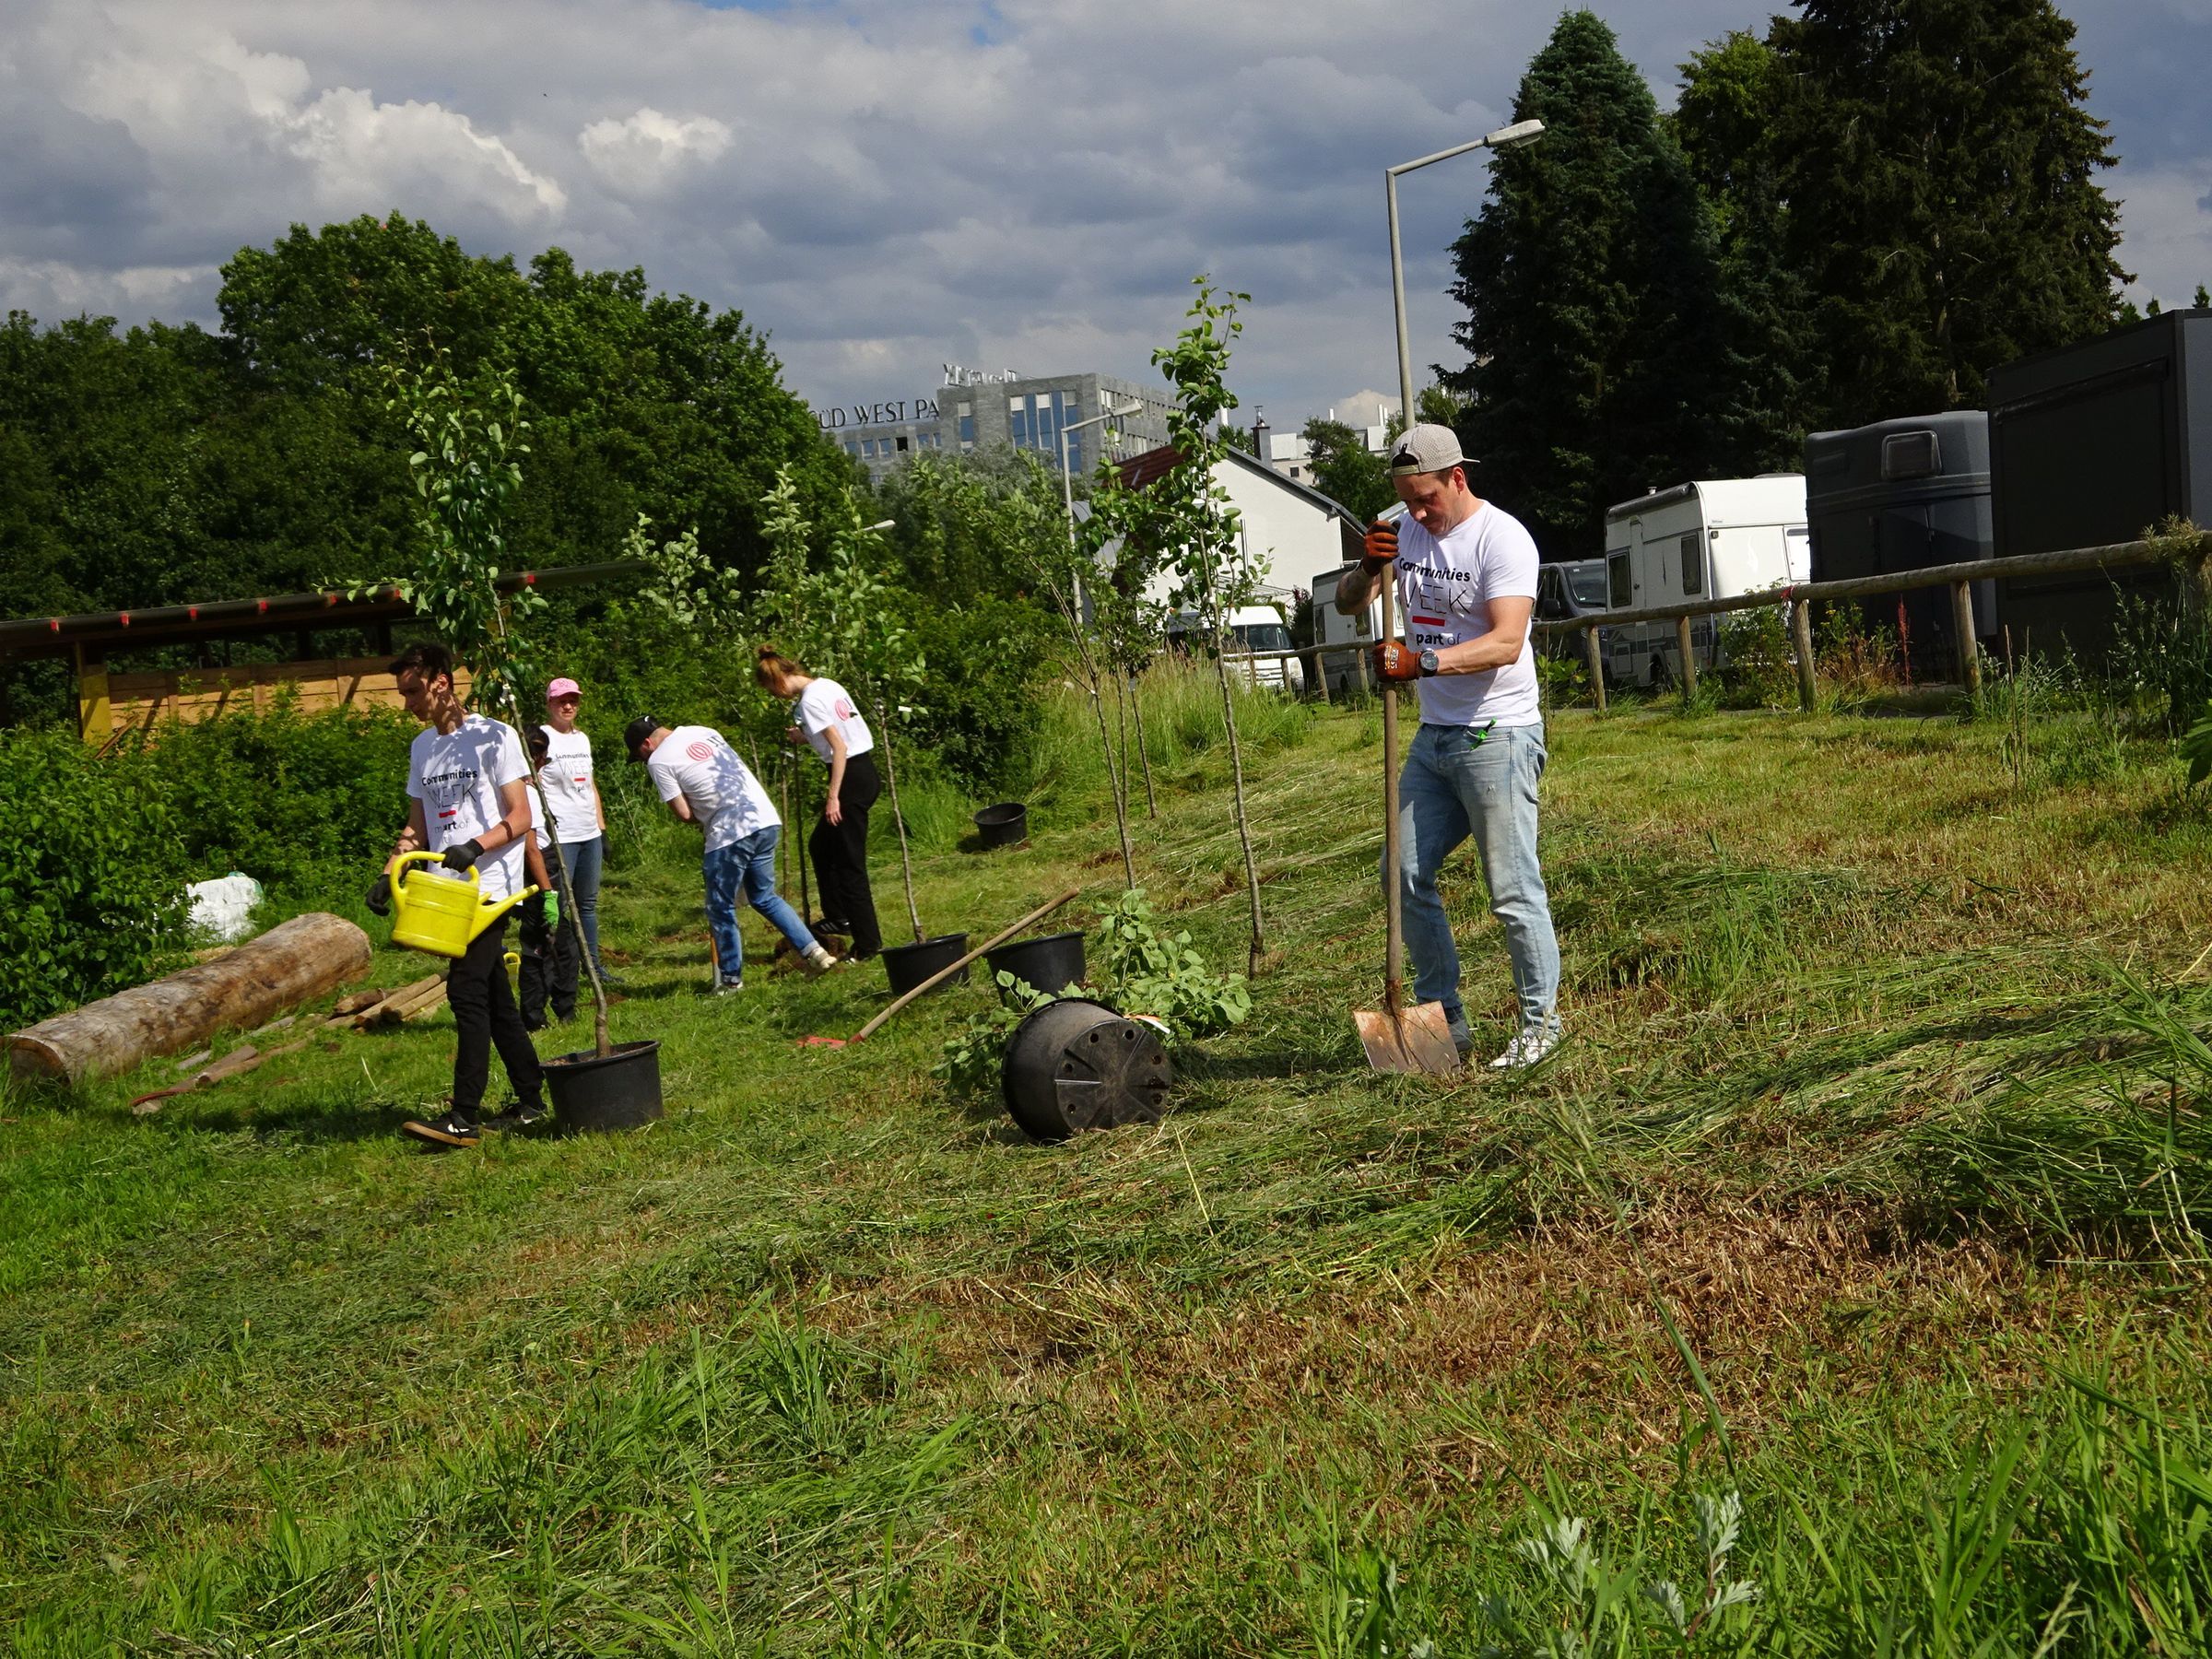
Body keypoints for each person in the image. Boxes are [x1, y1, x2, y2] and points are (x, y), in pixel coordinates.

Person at [1333, 424, 1562, 1069]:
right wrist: (1367, 566)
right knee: (1402, 873)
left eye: (1426, 497)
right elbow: (1353, 605)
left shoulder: (1503, 538)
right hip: (1435, 740)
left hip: (1500, 734)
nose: (1417, 512)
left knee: (1512, 888)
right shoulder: (1401, 532)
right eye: (1406, 500)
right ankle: (1444, 1022)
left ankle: (1542, 1024)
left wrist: (1420, 664)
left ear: (1457, 478)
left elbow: (1505, 642)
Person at [382, 641, 547, 1145]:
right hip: (445, 891)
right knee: (496, 999)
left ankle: (464, 1117)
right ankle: (532, 1100)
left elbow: (522, 817)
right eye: (402, 693)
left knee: (465, 992)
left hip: (490, 888)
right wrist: (389, 870)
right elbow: (418, 827)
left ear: (441, 682)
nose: (408, 702)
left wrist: (477, 846)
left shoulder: (493, 738)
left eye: (413, 691)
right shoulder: (422, 748)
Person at [624, 715, 841, 992]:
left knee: (720, 906)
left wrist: (704, 817)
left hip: (729, 832)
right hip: (764, 819)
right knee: (765, 897)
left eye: (640, 757)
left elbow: (685, 813)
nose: (644, 762)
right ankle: (816, 954)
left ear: (646, 745)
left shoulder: (658, 760)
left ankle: (730, 981)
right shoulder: (704, 729)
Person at [754, 647, 883, 961]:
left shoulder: (809, 702)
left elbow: (839, 747)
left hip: (849, 777)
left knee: (850, 866)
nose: (775, 697)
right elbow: (842, 731)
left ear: (778, 681)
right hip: (865, 770)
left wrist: (833, 797)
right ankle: (838, 915)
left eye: (771, 692)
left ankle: (867, 944)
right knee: (821, 846)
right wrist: (806, 736)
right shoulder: (827, 685)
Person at [537, 677, 613, 987]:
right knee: (560, 905)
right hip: (561, 836)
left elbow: (591, 784)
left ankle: (593, 968)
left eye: (573, 700)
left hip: (588, 832)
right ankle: (555, 969)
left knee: (588, 904)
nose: (568, 706)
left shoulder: (582, 738)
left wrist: (602, 828)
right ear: (550, 704)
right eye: (561, 701)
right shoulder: (542, 737)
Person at [517, 728, 578, 1032]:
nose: (542, 765)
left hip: (541, 865)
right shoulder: (524, 793)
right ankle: (555, 1012)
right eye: (541, 759)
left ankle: (534, 1015)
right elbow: (531, 848)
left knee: (539, 943)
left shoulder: (520, 788)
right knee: (555, 945)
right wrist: (548, 893)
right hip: (540, 869)